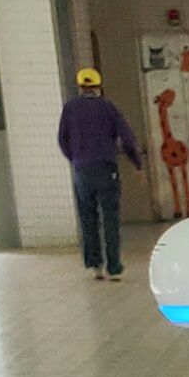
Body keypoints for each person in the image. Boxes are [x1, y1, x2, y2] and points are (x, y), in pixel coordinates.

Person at [61, 64, 142, 283]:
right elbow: (127, 139)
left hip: (82, 171)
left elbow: (62, 139)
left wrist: (76, 159)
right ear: (98, 87)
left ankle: (95, 266)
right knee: (111, 218)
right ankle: (114, 268)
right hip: (107, 169)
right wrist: (137, 164)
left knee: (88, 219)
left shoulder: (70, 108)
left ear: (80, 86)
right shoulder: (108, 108)